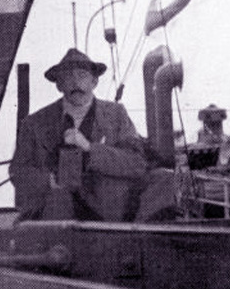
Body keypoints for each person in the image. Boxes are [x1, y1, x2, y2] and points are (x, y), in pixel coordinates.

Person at [9, 48, 151, 223]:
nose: (76, 83)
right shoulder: (34, 123)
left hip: (108, 218)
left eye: (82, 75)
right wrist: (49, 181)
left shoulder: (116, 115)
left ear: (94, 81)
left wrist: (90, 149)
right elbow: (18, 172)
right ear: (59, 85)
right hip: (53, 215)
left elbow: (137, 164)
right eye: (68, 77)